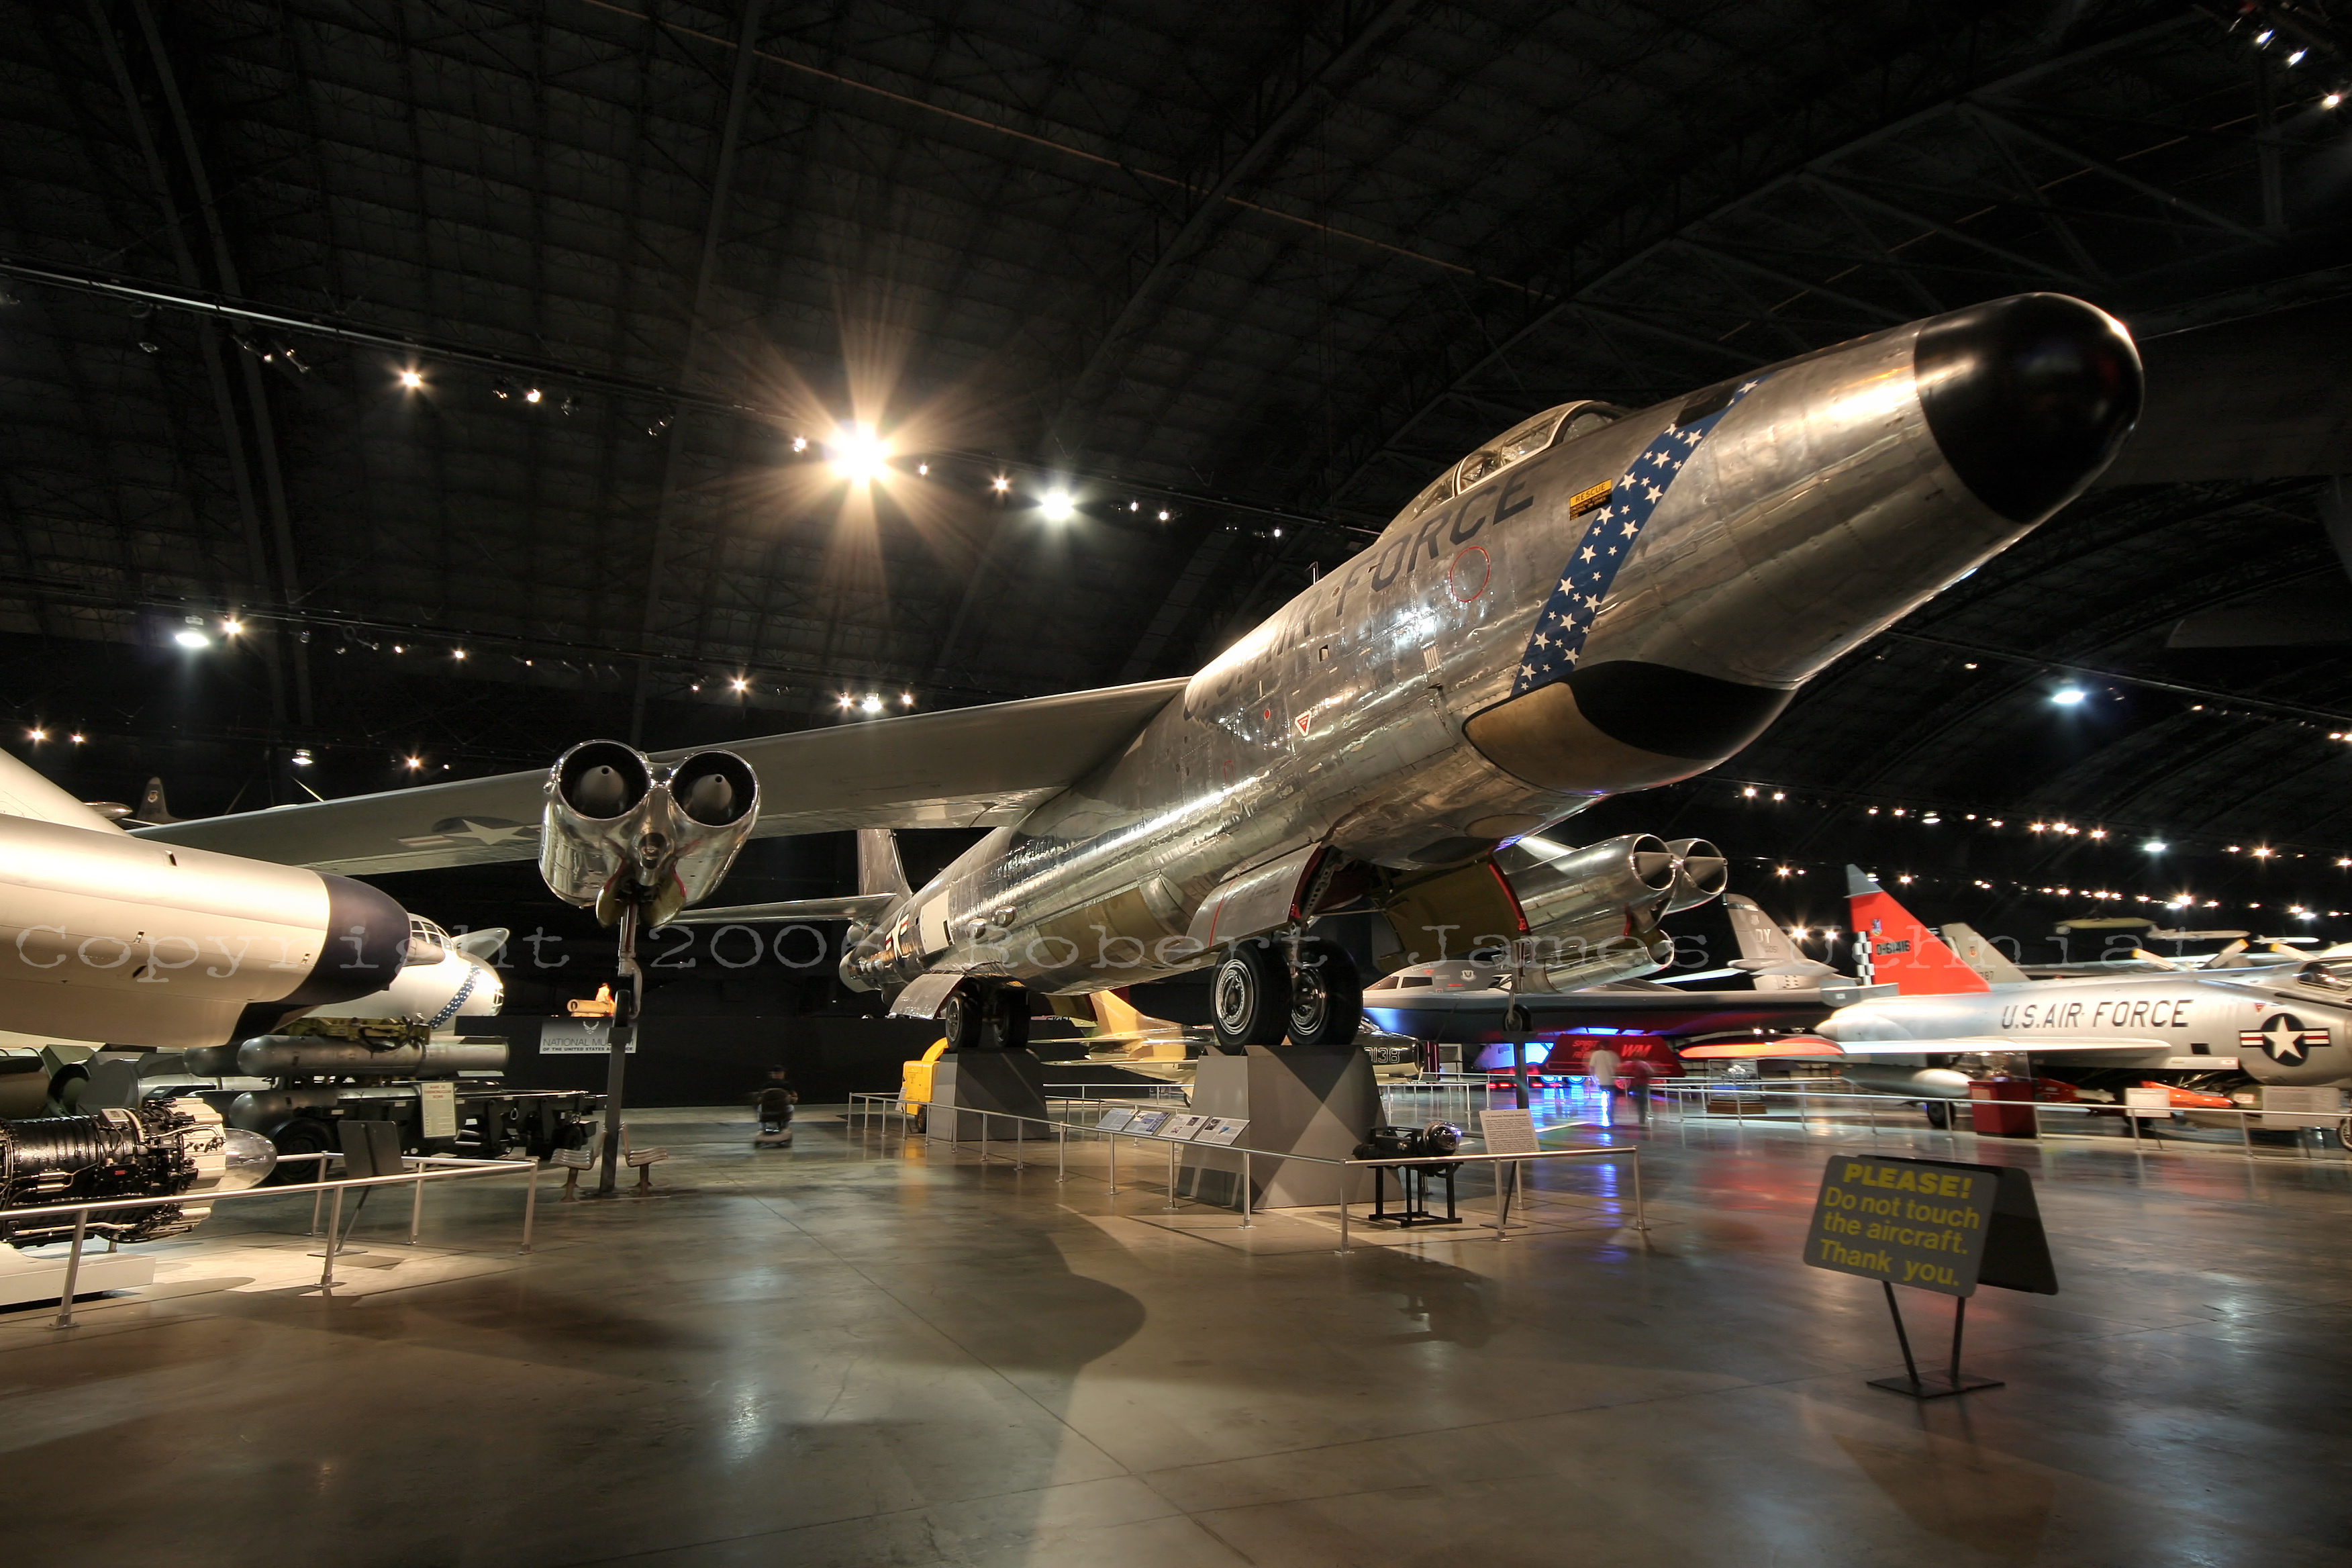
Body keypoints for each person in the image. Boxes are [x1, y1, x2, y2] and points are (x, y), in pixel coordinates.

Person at [753, 1066, 797, 1147]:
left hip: (767, 1110)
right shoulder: (787, 1085)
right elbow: (794, 1097)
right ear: (782, 1074)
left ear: (772, 1075)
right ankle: (785, 1127)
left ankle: (762, 1128)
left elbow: (759, 1098)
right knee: (791, 1108)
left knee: (760, 1108)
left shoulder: (766, 1085)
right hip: (783, 1110)